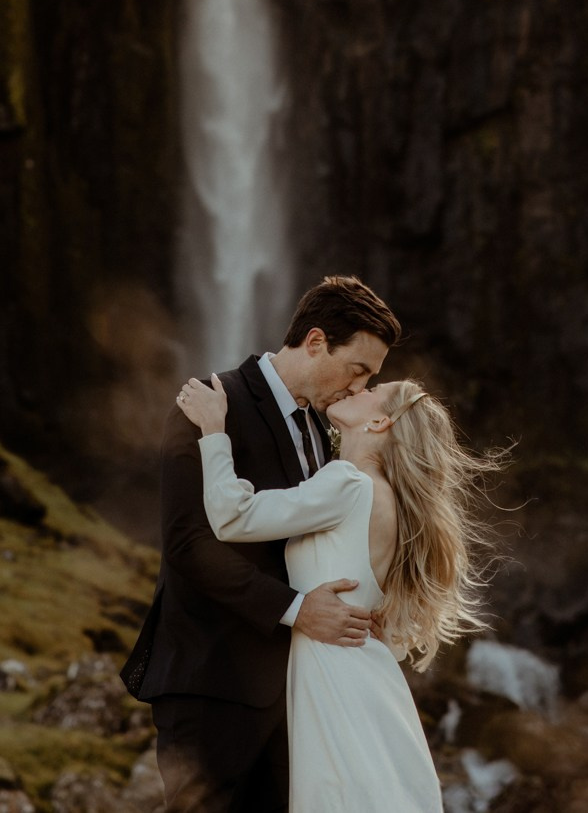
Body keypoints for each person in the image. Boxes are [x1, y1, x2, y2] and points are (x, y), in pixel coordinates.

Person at [120, 277, 402, 812]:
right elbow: (188, 543)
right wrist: (297, 611)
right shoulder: (208, 406)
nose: (358, 388)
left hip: (294, 692)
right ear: (316, 341)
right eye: (358, 369)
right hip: (211, 679)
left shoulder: (326, 427)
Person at [172, 367, 498, 813]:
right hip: (369, 677)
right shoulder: (391, 501)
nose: (361, 387)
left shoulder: (349, 482)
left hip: (331, 678)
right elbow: (396, 638)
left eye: (374, 388)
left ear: (381, 422)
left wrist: (213, 429)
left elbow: (233, 516)